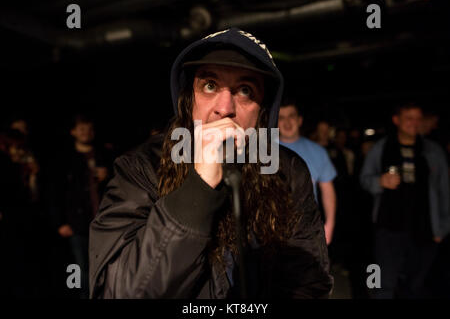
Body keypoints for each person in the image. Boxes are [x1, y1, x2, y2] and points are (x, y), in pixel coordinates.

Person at [89, 28, 333, 299]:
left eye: (244, 90)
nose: (225, 107)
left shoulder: (286, 170)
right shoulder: (143, 167)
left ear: (263, 110)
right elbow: (117, 292)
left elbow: (308, 284)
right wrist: (198, 188)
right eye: (210, 85)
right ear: (188, 99)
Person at [360, 102, 450, 298]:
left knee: (416, 285)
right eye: (409, 118)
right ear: (397, 120)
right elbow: (365, 179)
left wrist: (442, 228)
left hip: (425, 229)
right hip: (389, 227)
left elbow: (444, 190)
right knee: (382, 282)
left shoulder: (433, 151)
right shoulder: (381, 148)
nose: (414, 123)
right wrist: (380, 181)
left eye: (418, 118)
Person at [52, 115, 110, 298]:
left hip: (102, 221)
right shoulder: (65, 160)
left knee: (103, 265)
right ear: (73, 132)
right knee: (78, 267)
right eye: (81, 128)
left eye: (88, 128)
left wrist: (106, 177)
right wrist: (60, 222)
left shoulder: (104, 154)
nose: (85, 132)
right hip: (77, 222)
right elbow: (56, 193)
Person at [277, 98, 337, 245]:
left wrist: (329, 225)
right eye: (281, 117)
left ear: (299, 120)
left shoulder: (318, 151)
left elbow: (328, 191)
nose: (287, 122)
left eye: (291, 116)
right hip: (272, 229)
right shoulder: (263, 150)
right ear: (275, 122)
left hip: (307, 229)